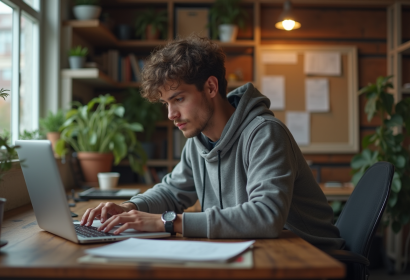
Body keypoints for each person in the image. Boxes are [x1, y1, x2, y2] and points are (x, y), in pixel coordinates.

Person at [80, 35, 345, 250]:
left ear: (210, 87)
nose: (171, 115)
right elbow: (173, 192)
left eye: (179, 99)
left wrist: (166, 222)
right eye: (166, 104)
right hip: (255, 250)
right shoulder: (199, 141)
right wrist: (130, 208)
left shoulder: (264, 133)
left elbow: (266, 216)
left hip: (310, 257)